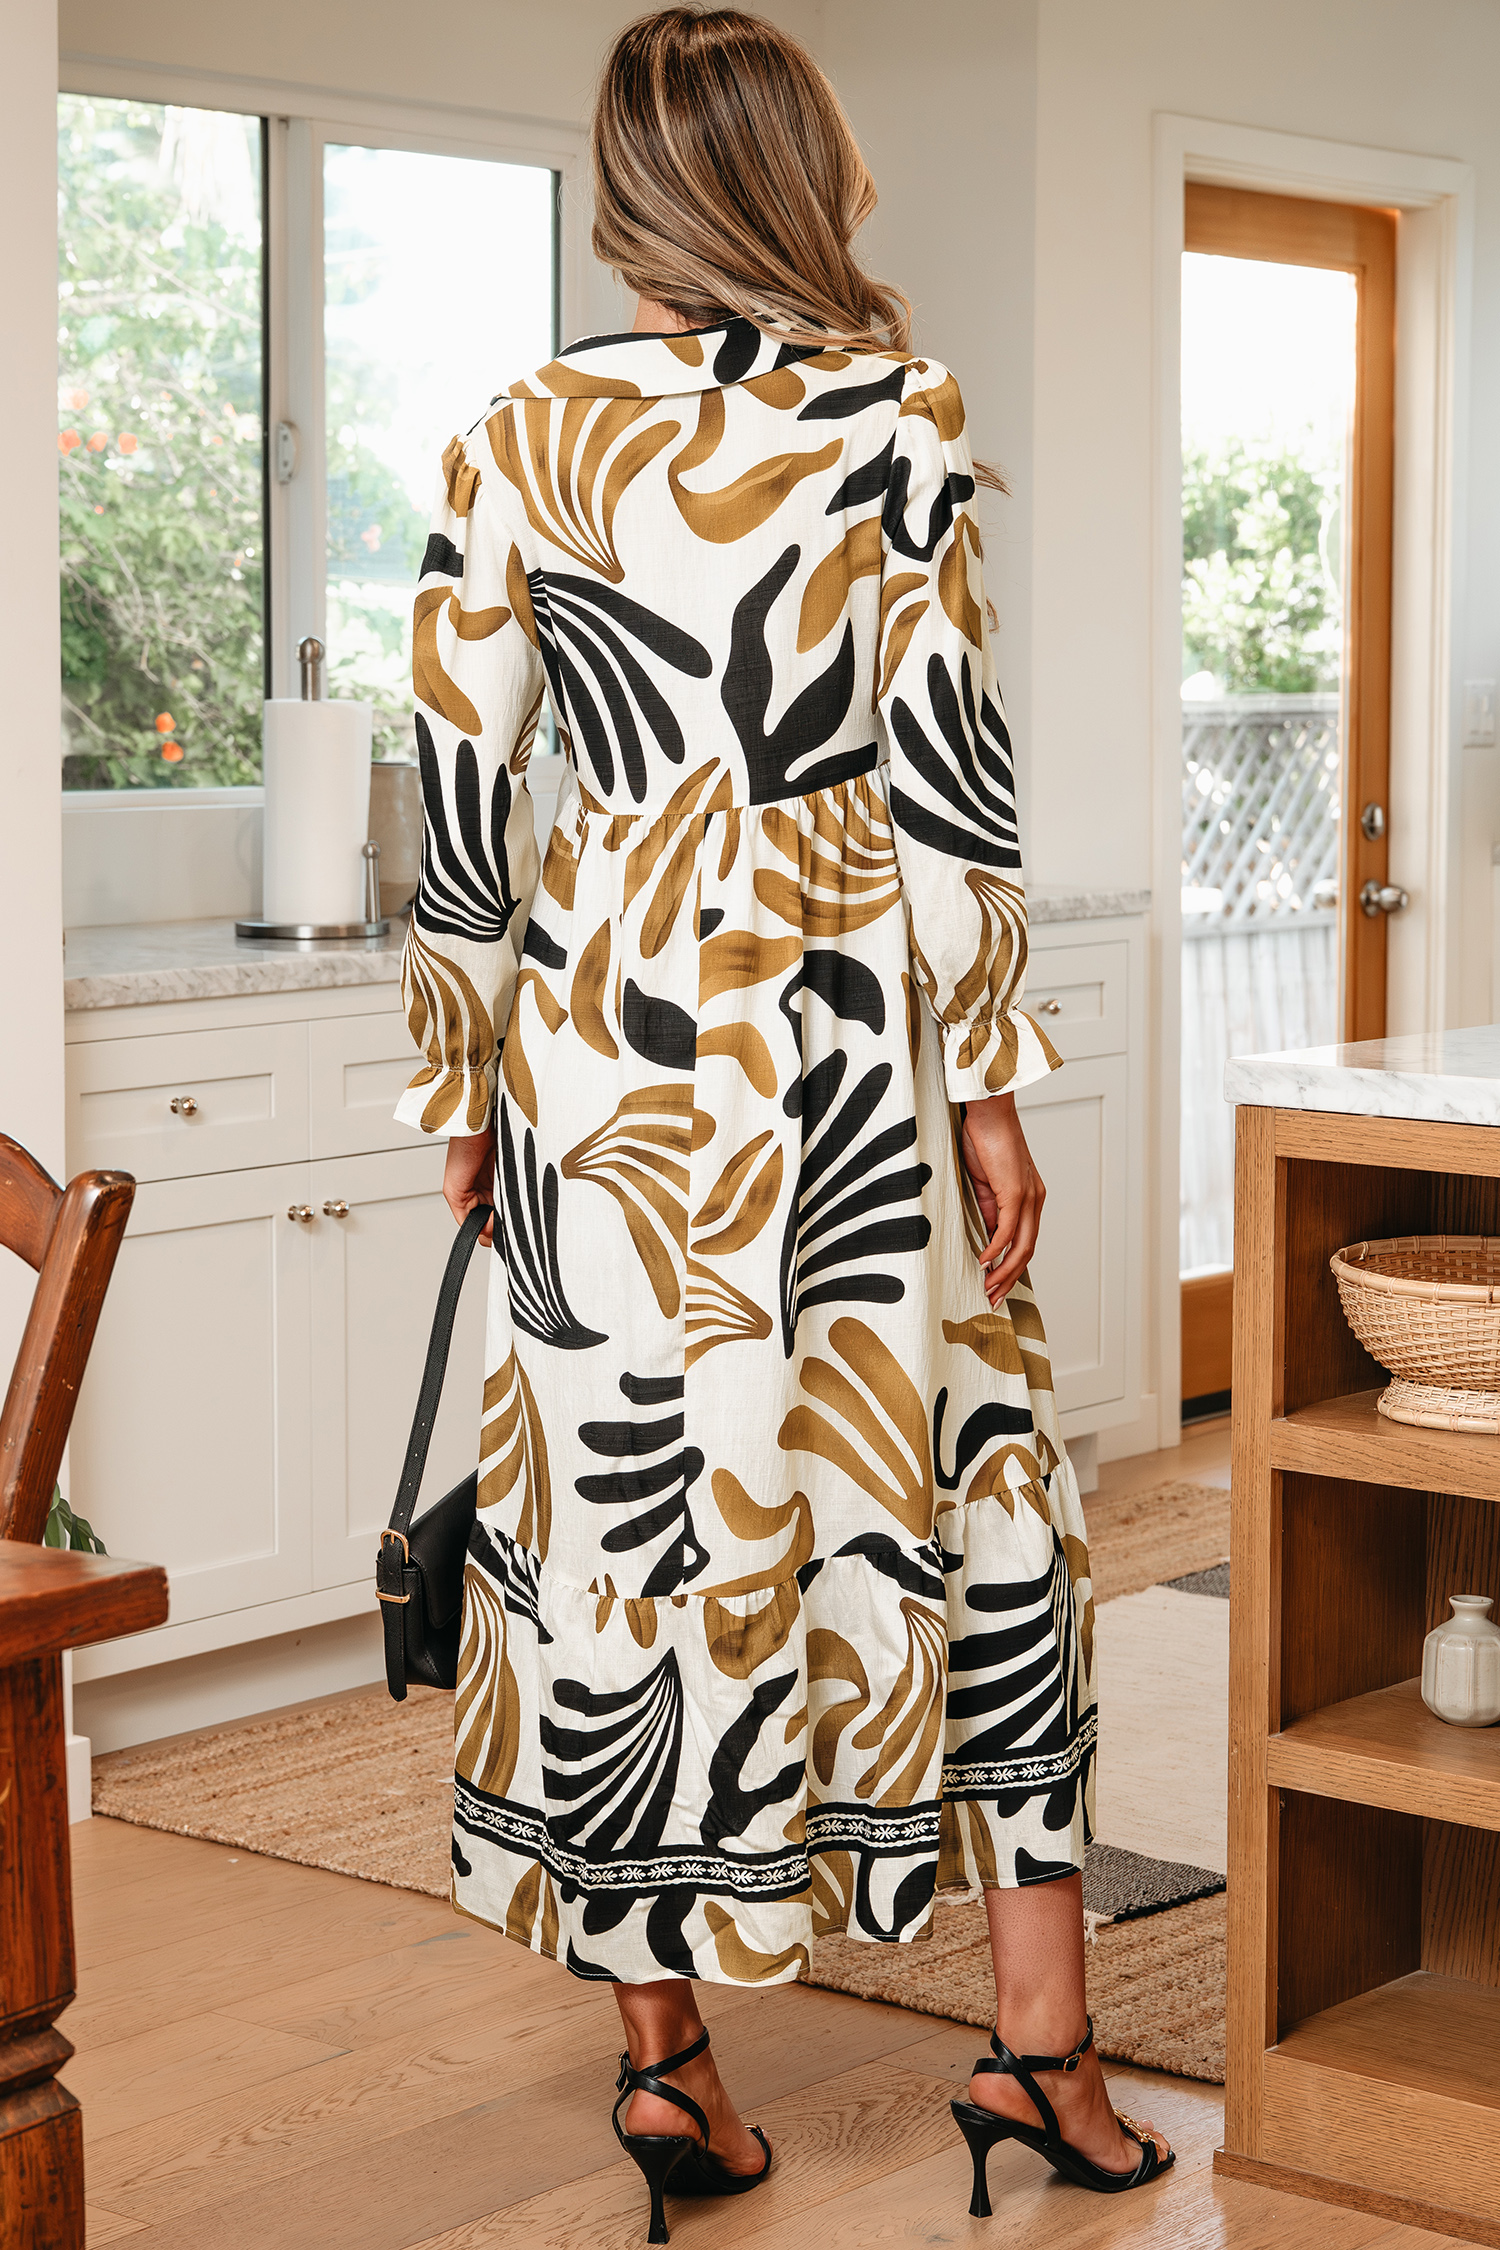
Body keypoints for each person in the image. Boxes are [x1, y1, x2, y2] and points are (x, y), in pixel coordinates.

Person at [396, 7, 1172, 2237]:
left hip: (600, 1056)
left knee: (622, 1540)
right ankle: (1042, 2051)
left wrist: (466, 1080)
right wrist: (991, 1082)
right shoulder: (892, 417)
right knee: (981, 1503)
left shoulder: (516, 432)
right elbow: (949, 786)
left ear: (634, 191)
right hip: (839, 1056)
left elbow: (459, 786)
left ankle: (671, 2075)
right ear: (796, 178)